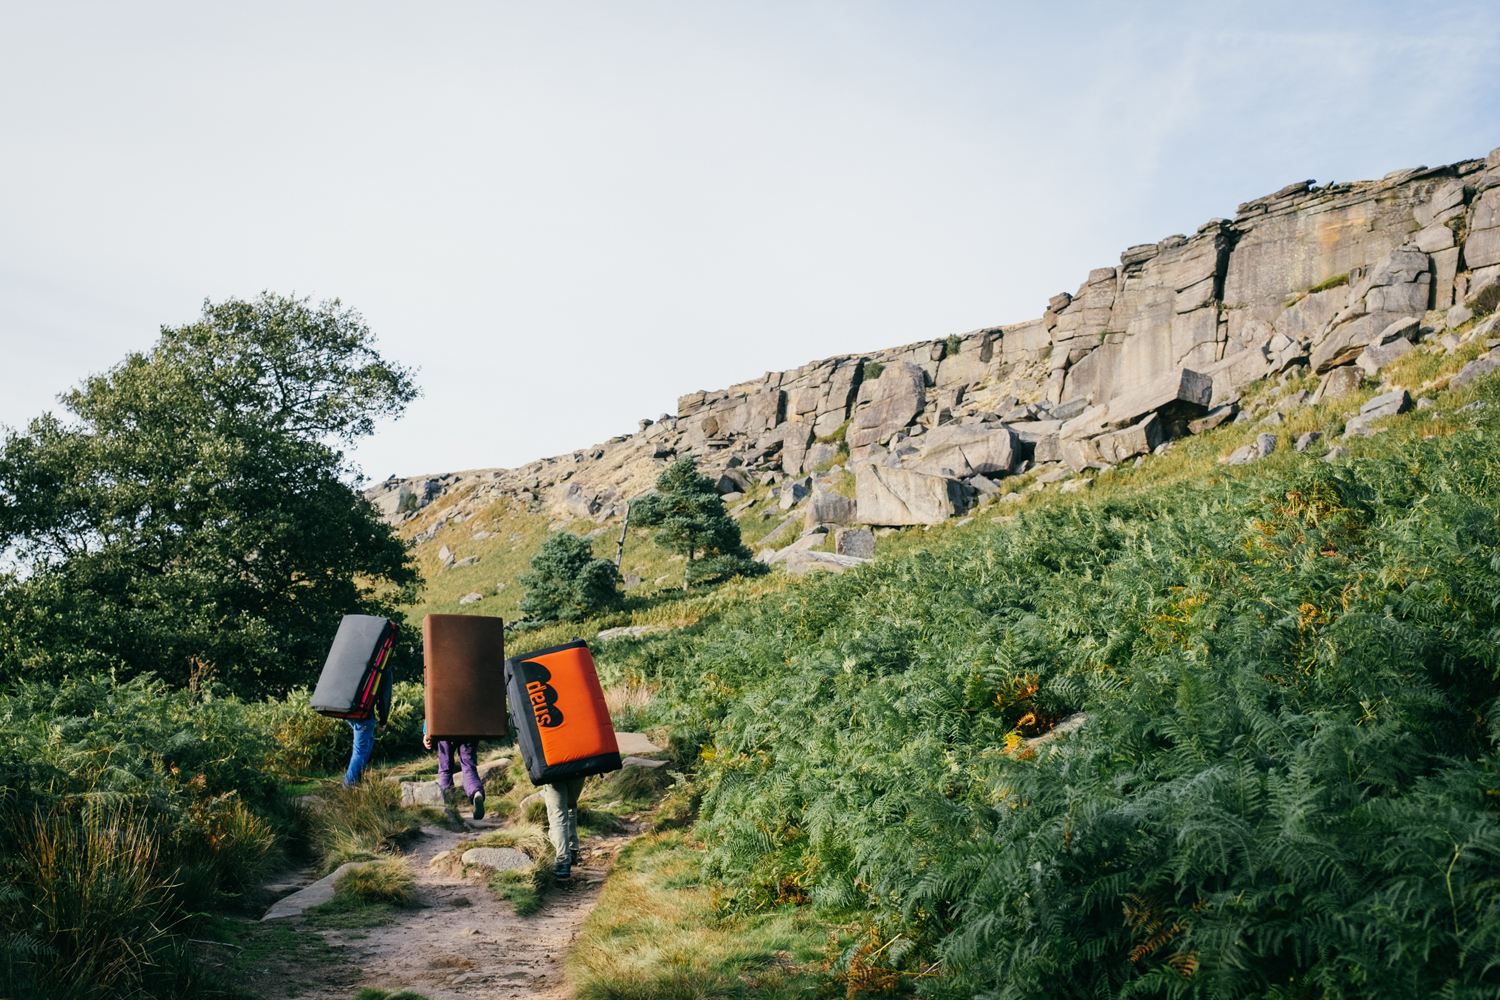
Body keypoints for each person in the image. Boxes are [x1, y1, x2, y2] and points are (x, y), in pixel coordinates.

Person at [422, 723, 485, 820]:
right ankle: (476, 793)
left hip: (445, 730)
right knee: (469, 768)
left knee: (445, 770)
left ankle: (448, 807)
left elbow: (432, 708)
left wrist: (426, 732)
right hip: (469, 729)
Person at [342, 665, 392, 787]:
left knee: (368, 741)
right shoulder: (384, 671)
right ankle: (349, 785)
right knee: (360, 750)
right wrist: (383, 721)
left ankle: (358, 778)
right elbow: (384, 697)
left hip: (350, 712)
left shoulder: (361, 664)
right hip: (364, 716)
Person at [542, 777, 585, 878]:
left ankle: (563, 862)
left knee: (557, 817)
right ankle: (572, 849)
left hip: (554, 772)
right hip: (578, 770)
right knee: (571, 807)